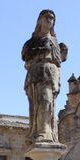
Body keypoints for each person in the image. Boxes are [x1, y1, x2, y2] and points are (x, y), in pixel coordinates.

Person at [22, 10, 68, 143]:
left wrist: (62, 52)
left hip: (51, 75)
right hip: (37, 75)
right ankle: (41, 131)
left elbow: (59, 61)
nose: (49, 20)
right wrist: (42, 50)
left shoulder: (55, 41)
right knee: (42, 101)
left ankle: (49, 131)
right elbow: (25, 56)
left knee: (49, 103)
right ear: (40, 20)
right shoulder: (32, 42)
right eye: (46, 17)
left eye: (52, 18)